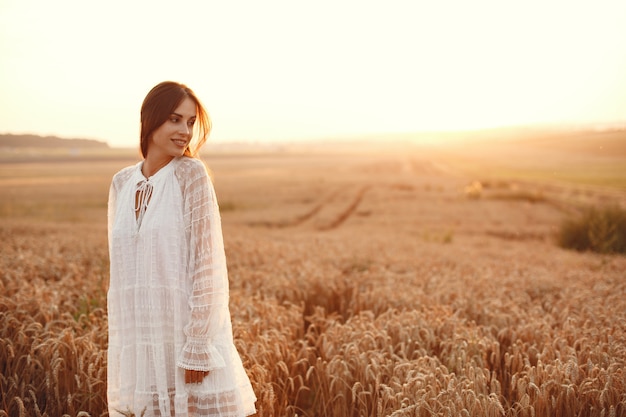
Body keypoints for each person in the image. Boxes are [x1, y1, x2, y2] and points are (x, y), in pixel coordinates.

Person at [107, 81, 257, 417]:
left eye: (190, 122)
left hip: (186, 343)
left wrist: (197, 347)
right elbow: (120, 275)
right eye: (175, 120)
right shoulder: (121, 182)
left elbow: (208, 265)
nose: (185, 131)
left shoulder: (191, 175)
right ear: (151, 119)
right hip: (142, 346)